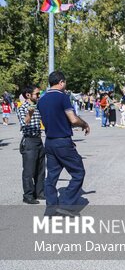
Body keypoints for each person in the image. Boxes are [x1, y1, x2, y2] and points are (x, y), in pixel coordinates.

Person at [37, 71, 90, 216]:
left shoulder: (42, 99)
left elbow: (54, 119)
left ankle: (50, 208)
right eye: (65, 83)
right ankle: (65, 205)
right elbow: (73, 119)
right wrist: (84, 124)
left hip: (49, 142)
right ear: (61, 82)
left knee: (51, 177)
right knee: (78, 172)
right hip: (62, 142)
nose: (65, 85)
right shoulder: (63, 97)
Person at [17, 85, 45, 204]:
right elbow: (24, 123)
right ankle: (28, 195)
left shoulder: (38, 106)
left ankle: (39, 192)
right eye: (37, 94)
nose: (39, 96)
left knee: (41, 169)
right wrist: (30, 112)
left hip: (38, 140)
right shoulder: (22, 108)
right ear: (28, 95)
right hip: (29, 141)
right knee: (29, 170)